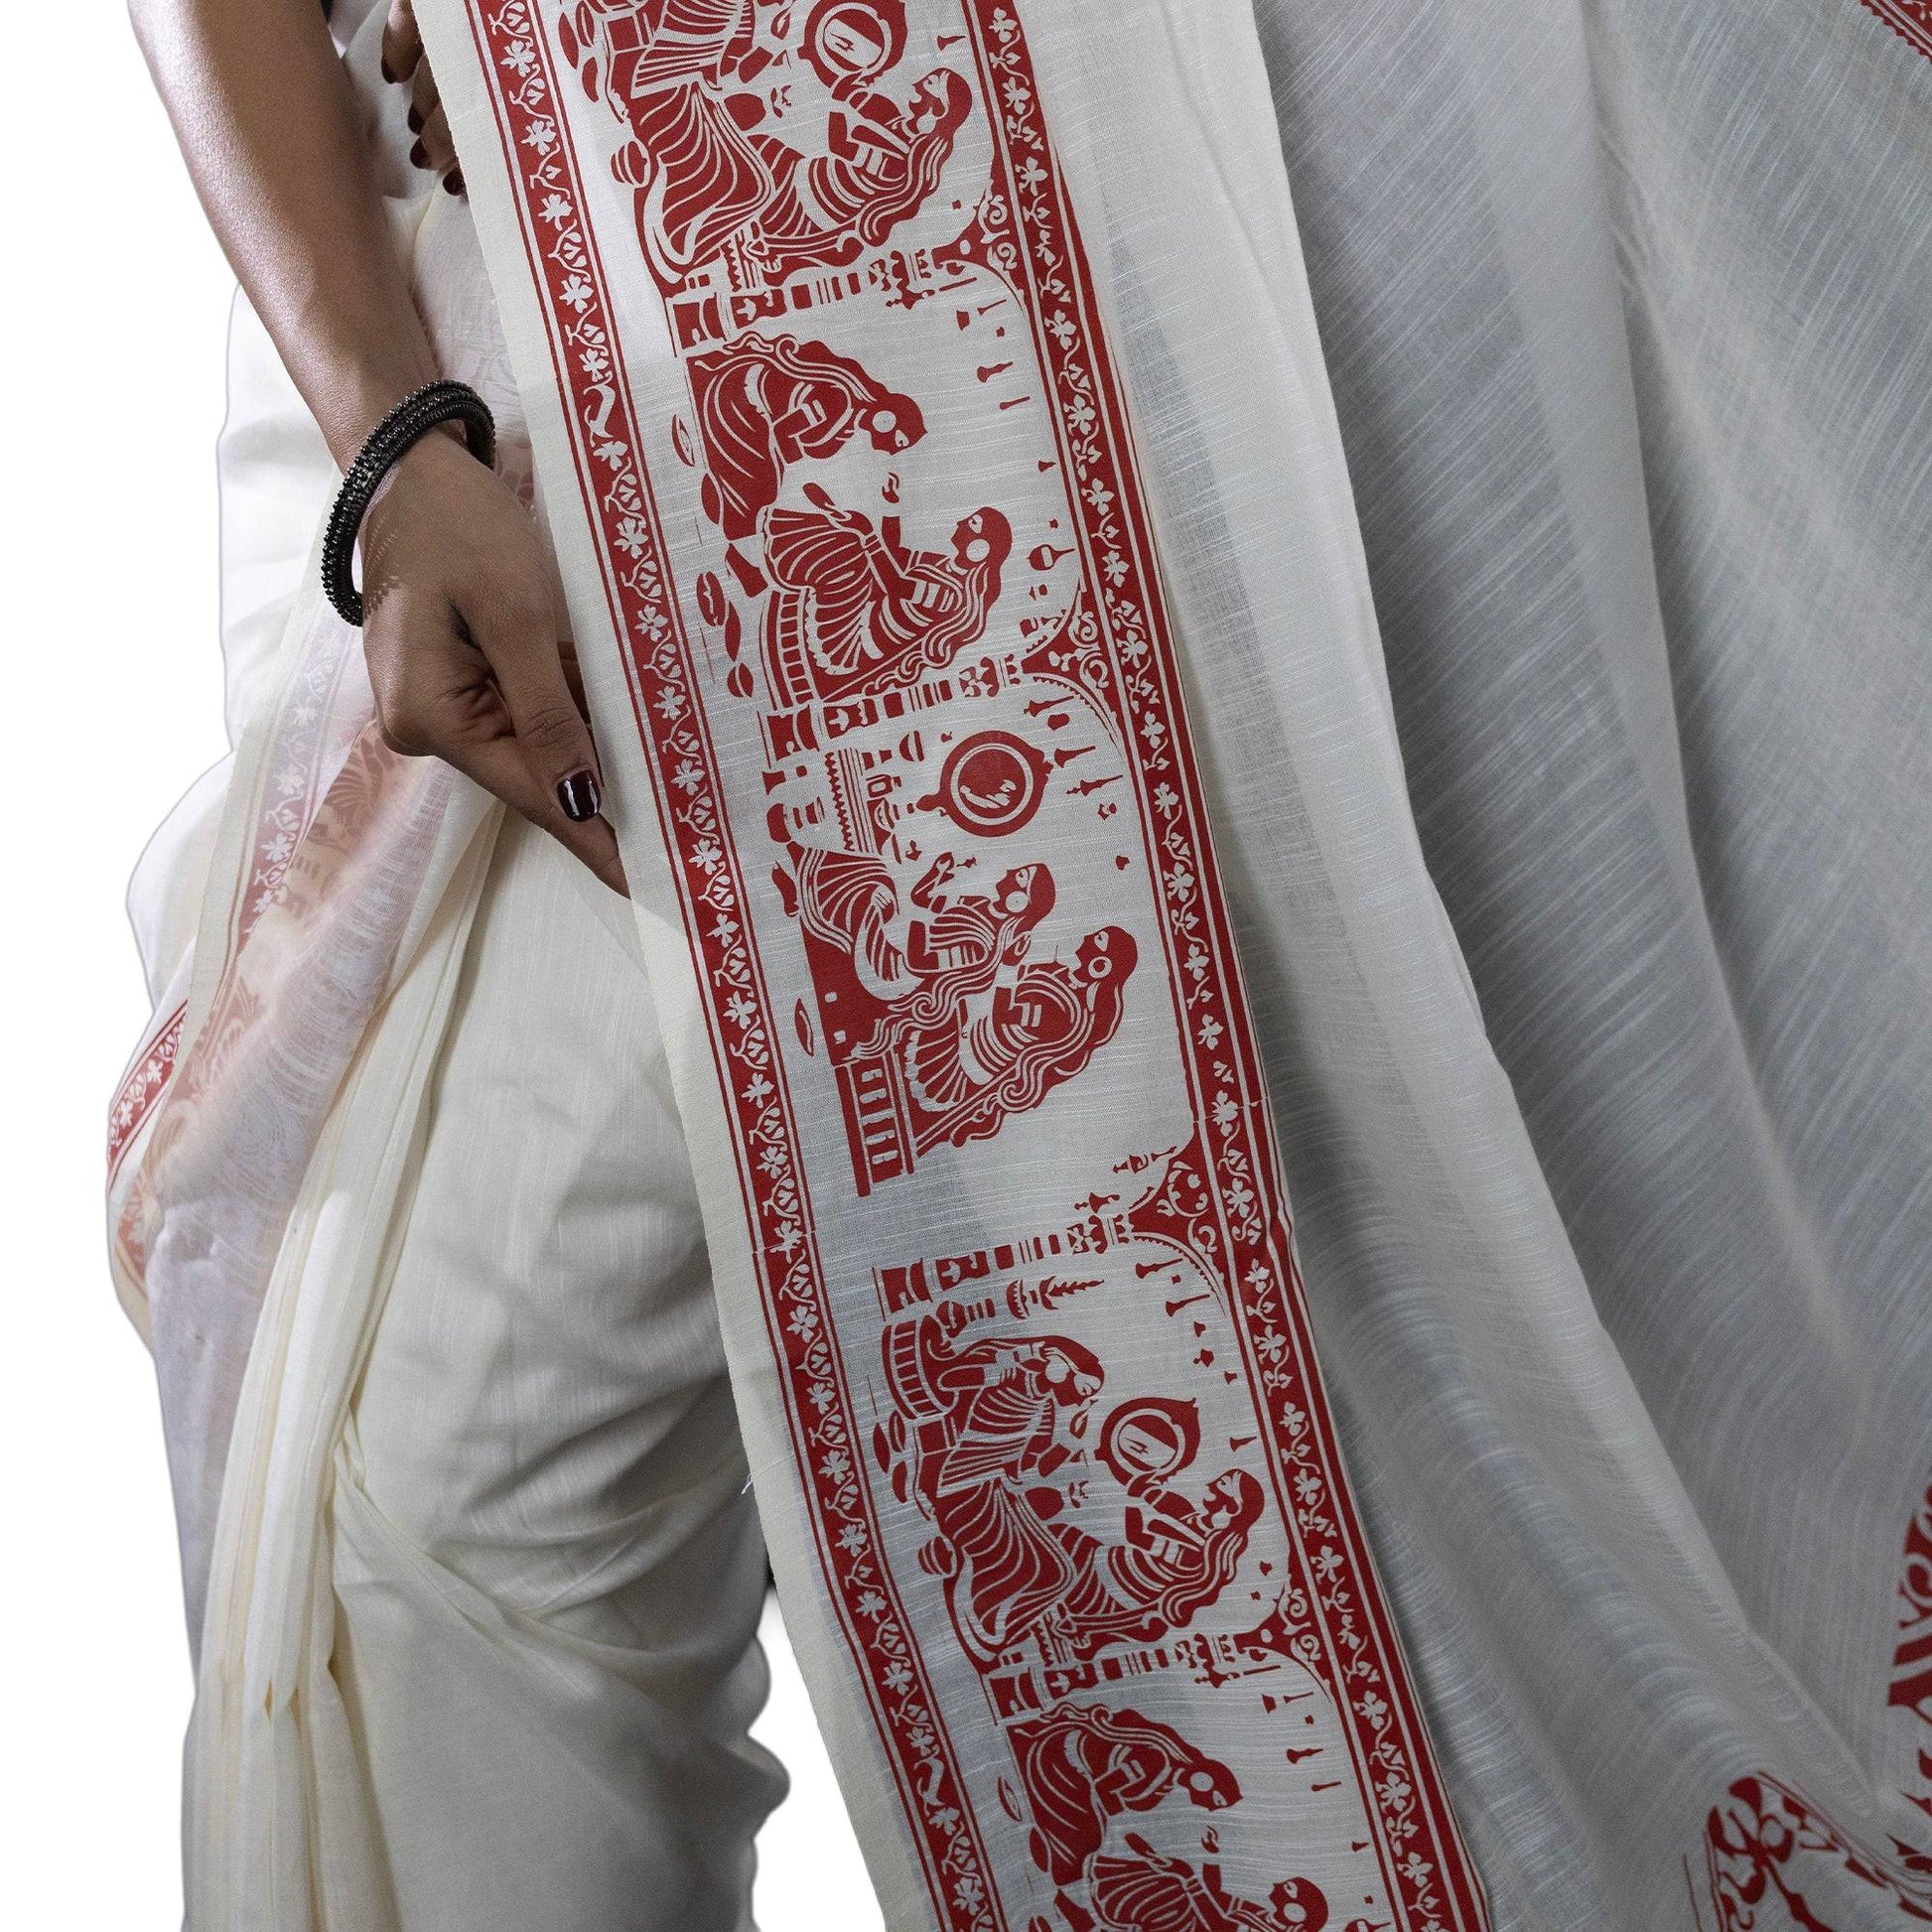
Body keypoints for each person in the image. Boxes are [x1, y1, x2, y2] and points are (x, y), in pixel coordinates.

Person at [113, 2, 1932, 1930]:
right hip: (569, 401)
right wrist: (394, 444)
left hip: (1256, 332)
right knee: (441, 1516)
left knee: (1446, 1414)